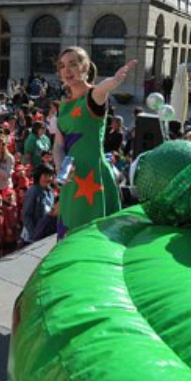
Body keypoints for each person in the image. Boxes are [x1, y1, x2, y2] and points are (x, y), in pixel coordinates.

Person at [53, 47, 137, 238]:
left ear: (85, 68)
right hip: (71, 180)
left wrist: (114, 81)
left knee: (93, 237)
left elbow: (102, 89)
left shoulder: (93, 97)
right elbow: (58, 145)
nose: (67, 70)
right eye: (62, 66)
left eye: (73, 64)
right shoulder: (63, 107)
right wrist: (60, 169)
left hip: (95, 176)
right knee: (70, 236)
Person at [22, 164, 56, 245]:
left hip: (45, 233)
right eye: (45, 176)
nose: (48, 179)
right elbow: (27, 215)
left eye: (50, 176)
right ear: (38, 176)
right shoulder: (33, 191)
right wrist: (34, 234)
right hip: (32, 238)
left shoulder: (50, 192)